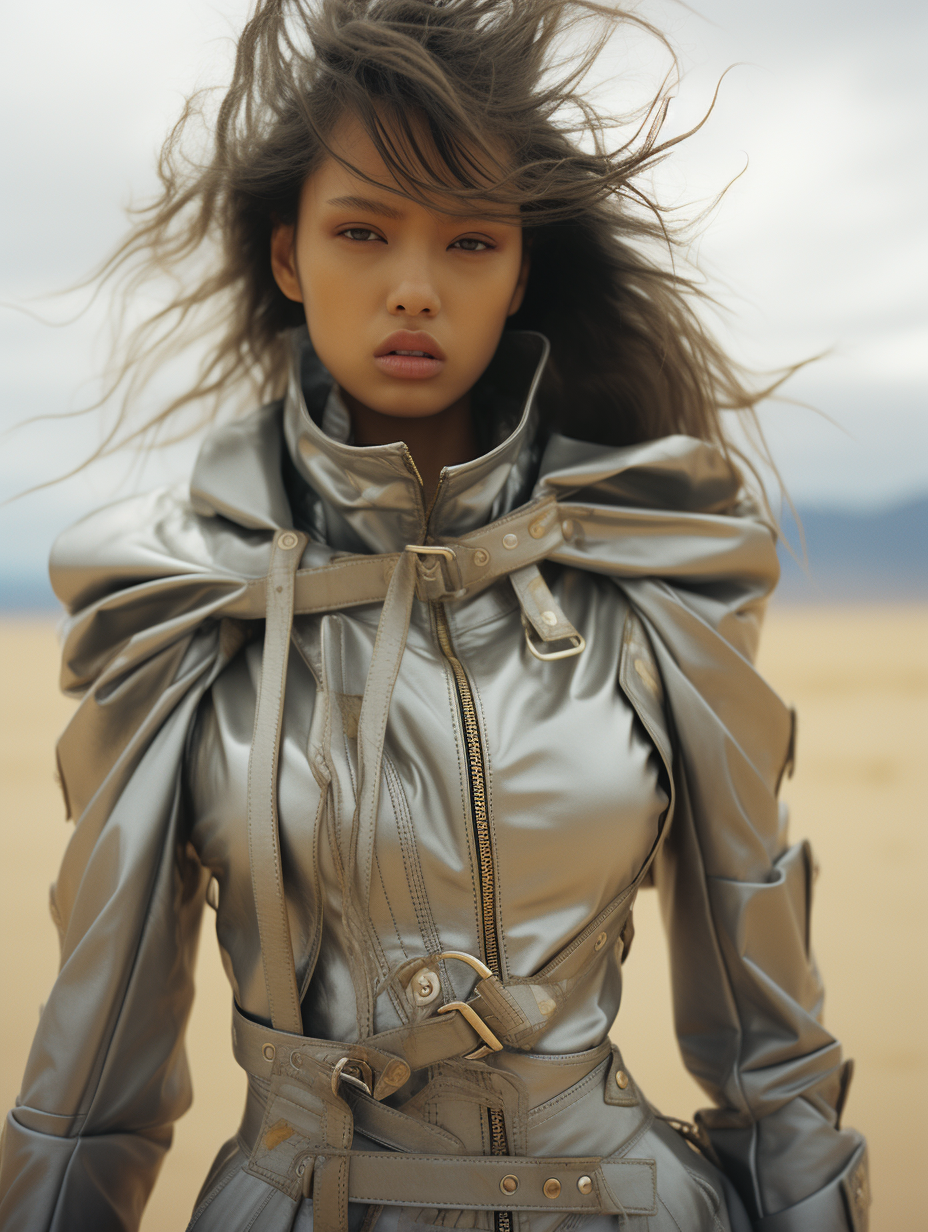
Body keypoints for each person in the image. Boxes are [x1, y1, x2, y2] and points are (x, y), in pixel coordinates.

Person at [0, 1, 869, 1229]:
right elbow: (94, 1071)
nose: (415, 288)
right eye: (362, 231)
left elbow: (771, 1049)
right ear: (289, 255)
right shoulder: (184, 599)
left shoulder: (650, 561)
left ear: (519, 270)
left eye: (469, 243)